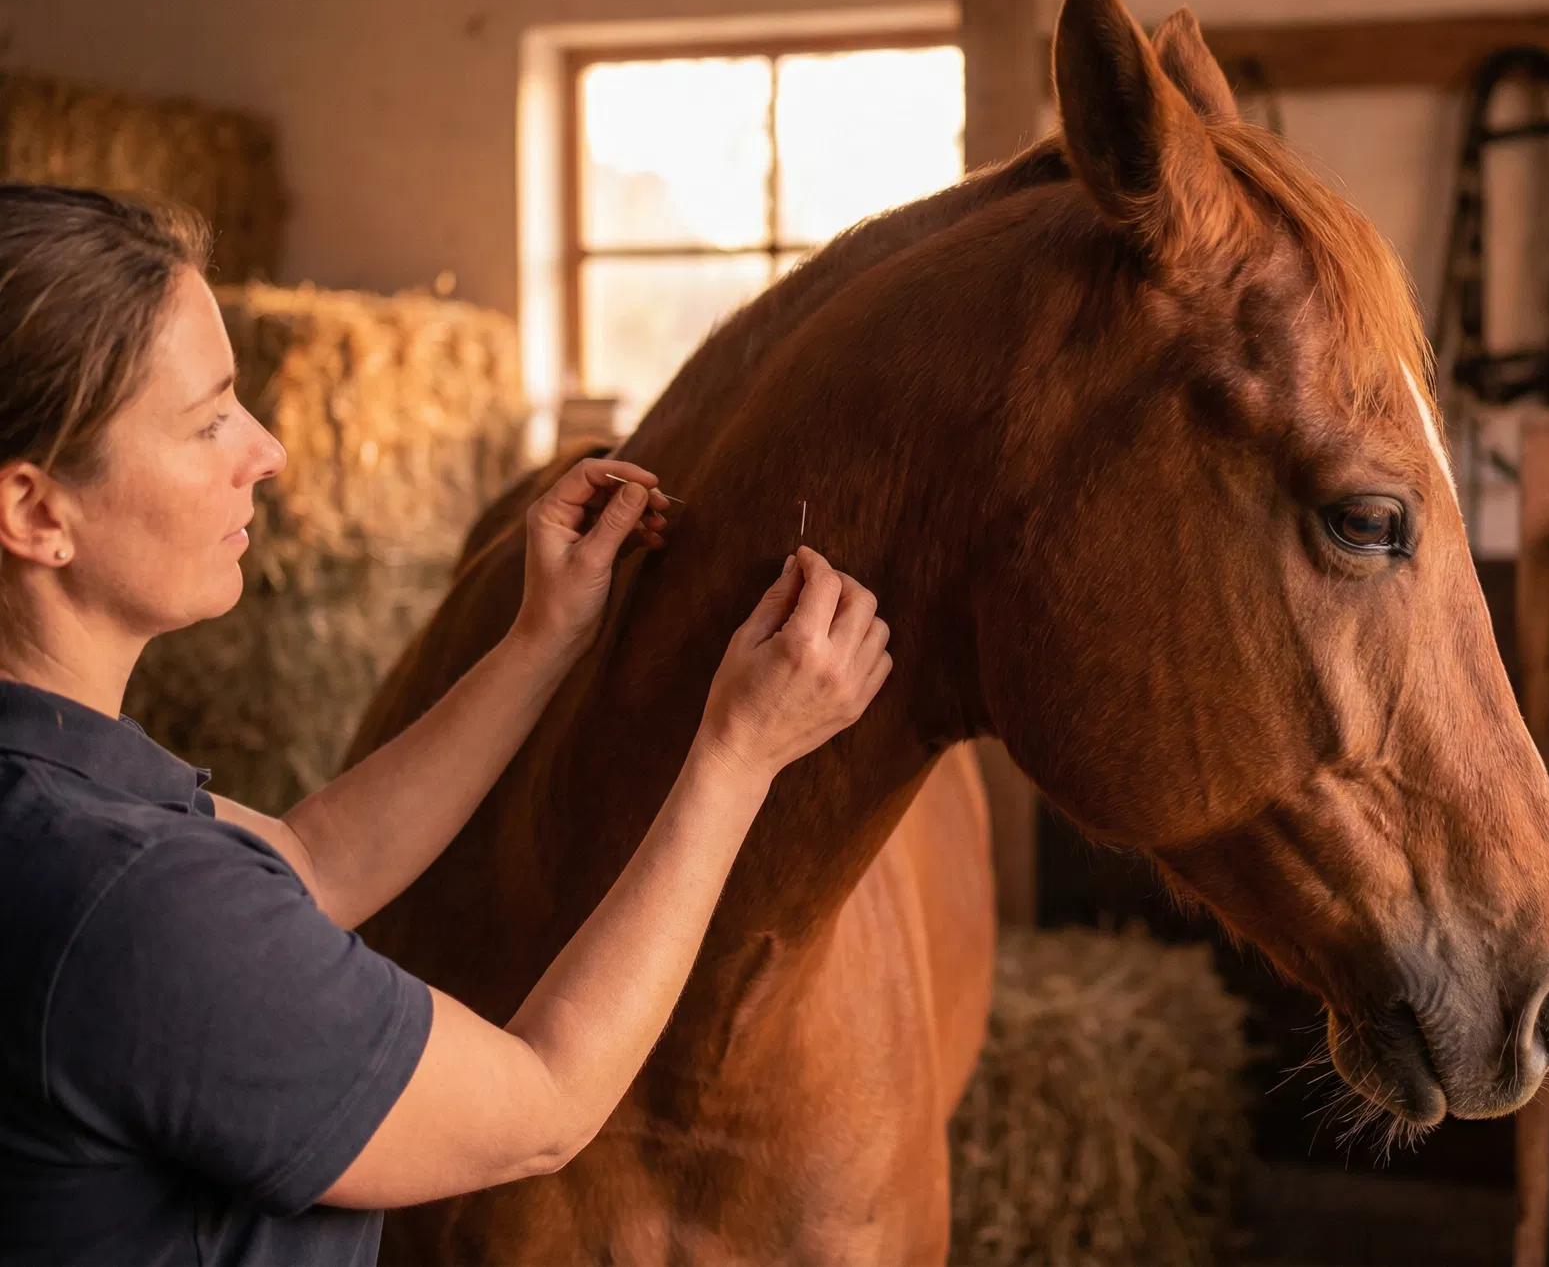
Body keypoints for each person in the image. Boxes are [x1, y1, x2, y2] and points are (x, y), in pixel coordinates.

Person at [0, 186, 892, 1266]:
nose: (269, 450)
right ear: (37, 513)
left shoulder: (54, 793)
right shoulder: (138, 905)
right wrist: (737, 756)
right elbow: (545, 1108)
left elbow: (311, 861)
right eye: (208, 422)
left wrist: (538, 643)